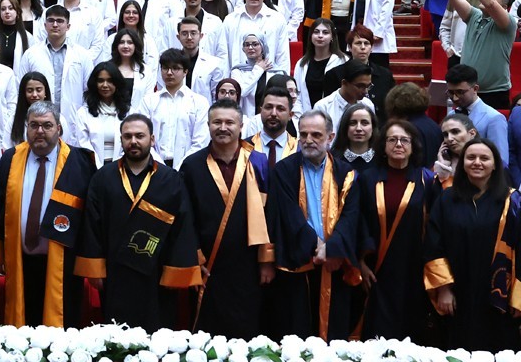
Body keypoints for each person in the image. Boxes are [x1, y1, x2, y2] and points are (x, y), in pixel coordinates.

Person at [74, 114, 200, 330]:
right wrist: (95, 269)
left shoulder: (171, 179)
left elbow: (183, 226)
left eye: (139, 136)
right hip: (115, 272)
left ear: (152, 139)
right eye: (128, 136)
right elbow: (91, 224)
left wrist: (175, 271)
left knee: (158, 328)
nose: (133, 141)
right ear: (121, 140)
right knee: (116, 331)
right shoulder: (103, 178)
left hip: (157, 274)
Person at [0, 101, 97, 327]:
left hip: (64, 263)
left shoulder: (79, 161)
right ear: (26, 128)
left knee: (62, 326)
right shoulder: (10, 159)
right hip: (20, 259)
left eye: (47, 125)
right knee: (23, 325)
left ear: (59, 129)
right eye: (34, 125)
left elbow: (90, 216)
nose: (40, 131)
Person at [334, 117, 443, 344]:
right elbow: (358, 222)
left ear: (413, 146)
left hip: (414, 269)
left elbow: (437, 228)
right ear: (383, 146)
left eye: (404, 140)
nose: (398, 144)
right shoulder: (367, 179)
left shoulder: (427, 180)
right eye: (392, 139)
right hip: (377, 270)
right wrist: (360, 262)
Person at [426, 138, 521, 352]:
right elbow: (434, 245)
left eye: (484, 158)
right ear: (463, 163)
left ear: (495, 164)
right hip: (458, 292)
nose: (477, 162)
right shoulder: (447, 199)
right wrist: (444, 289)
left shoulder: (513, 202)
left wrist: (519, 297)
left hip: (499, 295)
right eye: (471, 158)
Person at [181, 100, 272, 337]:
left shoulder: (258, 162)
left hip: (248, 263)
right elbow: (185, 218)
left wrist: (266, 260)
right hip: (208, 264)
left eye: (229, 122)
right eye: (217, 122)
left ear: (241, 126)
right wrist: (194, 259)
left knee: (247, 329)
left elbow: (269, 214)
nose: (223, 127)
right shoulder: (192, 165)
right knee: (207, 332)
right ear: (208, 125)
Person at [265, 110, 357, 340]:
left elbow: (351, 216)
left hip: (334, 263)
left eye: (316, 135)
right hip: (298, 261)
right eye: (303, 134)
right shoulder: (284, 170)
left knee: (333, 334)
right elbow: (289, 216)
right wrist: (319, 247)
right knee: (296, 331)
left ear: (330, 137)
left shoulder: (345, 173)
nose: (308, 140)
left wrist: (333, 249)